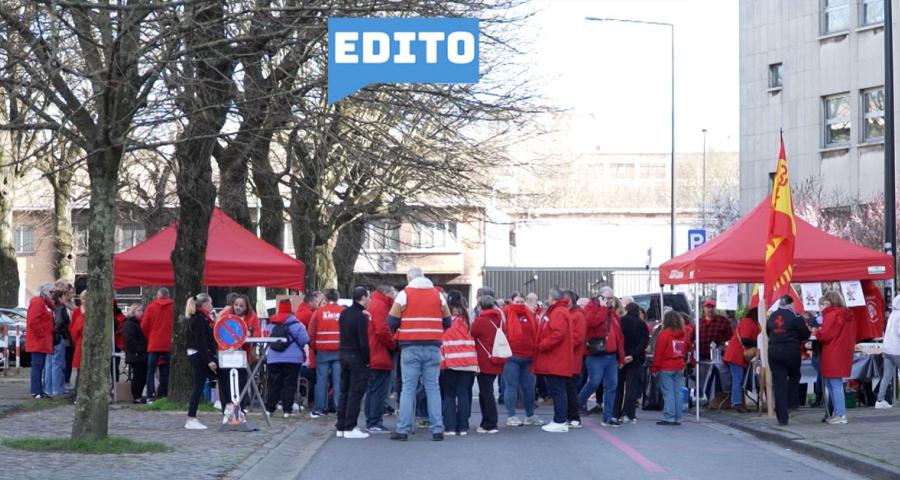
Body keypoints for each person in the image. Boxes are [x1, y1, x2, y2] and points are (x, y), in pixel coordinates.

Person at [387, 267, 453, 442]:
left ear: (409, 278)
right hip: (433, 347)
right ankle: (437, 429)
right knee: (433, 387)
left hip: (410, 347)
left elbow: (391, 320)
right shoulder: (437, 295)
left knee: (408, 389)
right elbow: (448, 321)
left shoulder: (404, 294)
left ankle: (403, 430)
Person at [578, 287, 625, 427]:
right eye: (608, 298)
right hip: (595, 354)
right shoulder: (591, 308)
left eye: (612, 298)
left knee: (612, 386)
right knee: (593, 383)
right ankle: (575, 405)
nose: (611, 301)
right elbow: (591, 323)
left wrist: (621, 357)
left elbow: (619, 337)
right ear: (600, 297)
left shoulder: (612, 314)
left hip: (611, 356)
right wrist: (603, 308)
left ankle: (608, 416)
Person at [766, 295, 810, 426]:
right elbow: (804, 334)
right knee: (795, 375)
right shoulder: (795, 316)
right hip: (791, 351)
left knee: (779, 384)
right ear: (791, 304)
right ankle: (792, 403)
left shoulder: (772, 316)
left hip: (773, 351)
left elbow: (769, 332)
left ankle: (782, 418)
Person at [335, 286, 372, 439]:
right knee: (356, 393)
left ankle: (341, 426)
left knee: (344, 391)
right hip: (356, 357)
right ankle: (350, 426)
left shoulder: (344, 313)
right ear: (363, 297)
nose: (369, 300)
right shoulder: (361, 316)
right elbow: (363, 341)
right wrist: (367, 360)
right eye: (368, 297)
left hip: (343, 354)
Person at [440, 291, 478, 436]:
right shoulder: (468, 319)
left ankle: (450, 427)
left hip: (450, 362)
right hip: (468, 362)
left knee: (449, 395)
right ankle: (462, 427)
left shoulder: (445, 321)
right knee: (463, 394)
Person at [535, 288, 573, 433]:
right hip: (556, 358)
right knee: (558, 390)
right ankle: (559, 419)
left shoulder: (558, 312)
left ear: (552, 298)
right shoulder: (559, 310)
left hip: (556, 358)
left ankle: (560, 420)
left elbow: (557, 333)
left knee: (557, 390)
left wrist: (543, 345)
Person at [502, 293, 542, 427]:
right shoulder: (506, 313)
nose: (519, 304)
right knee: (511, 387)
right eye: (517, 301)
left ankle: (530, 416)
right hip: (511, 357)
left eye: (521, 302)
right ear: (511, 301)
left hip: (529, 357)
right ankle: (511, 416)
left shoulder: (529, 314)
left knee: (529, 388)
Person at [815, 291, 855, 425]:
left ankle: (840, 414)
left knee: (834, 384)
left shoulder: (831, 315)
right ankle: (838, 412)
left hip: (832, 352)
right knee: (834, 384)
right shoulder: (846, 314)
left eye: (825, 302)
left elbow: (825, 335)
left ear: (830, 302)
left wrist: (817, 332)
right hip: (842, 352)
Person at [265, 300, 309, 419]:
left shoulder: (271, 324)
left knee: (273, 383)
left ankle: (269, 409)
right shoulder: (297, 324)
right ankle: (287, 410)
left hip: (273, 358)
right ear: (290, 310)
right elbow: (304, 340)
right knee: (289, 384)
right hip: (293, 359)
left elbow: (265, 338)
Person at [471, 295, 506, 434]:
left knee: (486, 392)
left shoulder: (480, 321)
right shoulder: (500, 319)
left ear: (480, 307)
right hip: (497, 357)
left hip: (484, 360)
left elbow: (472, 333)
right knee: (487, 391)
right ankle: (487, 421)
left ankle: (490, 423)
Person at [218, 294, 258, 413]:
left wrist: (250, 333)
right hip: (226, 352)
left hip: (242, 354)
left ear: (246, 307)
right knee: (225, 381)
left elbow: (257, 333)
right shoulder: (225, 315)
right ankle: (226, 408)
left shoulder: (251, 317)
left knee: (241, 380)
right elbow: (220, 331)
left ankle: (240, 408)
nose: (238, 307)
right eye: (236, 305)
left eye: (241, 305)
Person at [365, 285, 396, 433]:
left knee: (372, 389)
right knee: (379, 390)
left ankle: (371, 420)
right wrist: (393, 344)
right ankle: (375, 422)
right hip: (380, 353)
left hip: (372, 352)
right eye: (393, 292)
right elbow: (382, 330)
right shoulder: (380, 305)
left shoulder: (374, 303)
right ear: (387, 293)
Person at [308, 289, 345, 418]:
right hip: (339, 351)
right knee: (338, 381)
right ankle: (339, 408)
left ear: (326, 298)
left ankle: (319, 408)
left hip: (322, 350)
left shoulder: (319, 312)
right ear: (337, 298)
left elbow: (311, 333)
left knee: (321, 380)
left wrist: (315, 347)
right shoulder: (343, 312)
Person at [652, 310, 692, 426]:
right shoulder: (683, 334)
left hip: (666, 366)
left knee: (668, 392)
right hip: (679, 365)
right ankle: (677, 417)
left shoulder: (664, 334)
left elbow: (659, 352)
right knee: (677, 392)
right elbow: (686, 349)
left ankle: (669, 416)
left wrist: (655, 367)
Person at [185, 293, 217, 430]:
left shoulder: (202, 318)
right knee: (198, 385)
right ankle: (191, 418)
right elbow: (201, 342)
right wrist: (209, 360)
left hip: (199, 354)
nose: (212, 306)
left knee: (201, 384)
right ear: (204, 304)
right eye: (210, 303)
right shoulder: (199, 319)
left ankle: (227, 408)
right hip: (198, 355)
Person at [614, 302, 650, 424]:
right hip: (635, 359)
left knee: (618, 386)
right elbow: (644, 343)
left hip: (621, 358)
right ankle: (628, 414)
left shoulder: (620, 321)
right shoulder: (642, 324)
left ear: (627, 309)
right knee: (631, 387)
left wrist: (623, 355)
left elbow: (618, 340)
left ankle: (615, 413)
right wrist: (633, 355)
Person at [722, 308, 760, 413]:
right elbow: (745, 340)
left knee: (739, 379)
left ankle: (738, 402)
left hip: (736, 354)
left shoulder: (748, 322)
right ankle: (737, 403)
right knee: (738, 379)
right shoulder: (749, 323)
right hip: (736, 355)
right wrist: (758, 344)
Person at [142, 287, 174, 400]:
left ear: (158, 295)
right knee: (165, 371)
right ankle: (163, 393)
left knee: (150, 371)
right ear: (168, 295)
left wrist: (150, 337)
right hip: (168, 344)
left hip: (154, 344)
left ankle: (150, 395)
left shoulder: (151, 307)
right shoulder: (173, 307)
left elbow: (144, 326)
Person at [26, 283, 55, 399]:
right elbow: (33, 322)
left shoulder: (42, 303)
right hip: (38, 341)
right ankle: (36, 391)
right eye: (51, 292)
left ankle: (38, 390)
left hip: (41, 340)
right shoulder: (38, 302)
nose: (53, 295)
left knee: (40, 366)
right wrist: (42, 334)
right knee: (37, 366)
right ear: (45, 292)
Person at [46, 285, 72, 396]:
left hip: (54, 337)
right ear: (60, 298)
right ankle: (57, 389)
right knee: (58, 364)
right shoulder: (61, 308)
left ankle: (50, 388)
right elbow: (60, 322)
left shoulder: (54, 308)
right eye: (64, 296)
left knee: (51, 364)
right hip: (59, 337)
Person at [564, 290, 586, 429]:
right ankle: (571, 416)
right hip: (569, 357)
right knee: (568, 388)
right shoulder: (573, 314)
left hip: (572, 358)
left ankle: (574, 417)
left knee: (570, 388)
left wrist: (562, 345)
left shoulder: (577, 315)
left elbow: (577, 338)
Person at [877, 295, 900, 409]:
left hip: (887, 349)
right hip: (897, 350)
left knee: (886, 376)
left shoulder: (892, 315)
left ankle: (880, 400)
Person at [123, 303, 148, 403]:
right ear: (133, 312)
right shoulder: (130, 324)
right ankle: (136, 396)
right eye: (139, 311)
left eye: (142, 310)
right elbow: (129, 340)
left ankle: (139, 395)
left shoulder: (137, 323)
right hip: (136, 354)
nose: (141, 313)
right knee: (138, 376)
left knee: (141, 375)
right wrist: (140, 349)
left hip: (140, 354)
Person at [70, 291, 86, 397]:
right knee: (80, 371)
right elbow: (73, 329)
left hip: (86, 343)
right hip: (80, 343)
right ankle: (77, 394)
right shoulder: (76, 311)